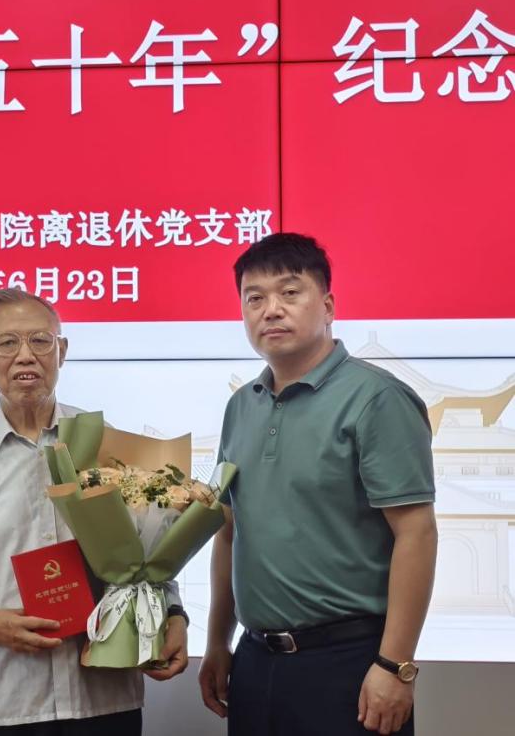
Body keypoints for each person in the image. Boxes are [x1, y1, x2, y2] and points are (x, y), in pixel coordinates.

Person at [0, 288, 189, 735]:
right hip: (4, 697)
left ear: (61, 351)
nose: (25, 355)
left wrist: (174, 612)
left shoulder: (105, 444)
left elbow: (150, 548)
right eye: (7, 343)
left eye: (40, 340)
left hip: (103, 690)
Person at [198, 233, 438, 736]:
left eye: (290, 292)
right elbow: (229, 531)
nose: (271, 310)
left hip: (350, 663)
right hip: (255, 660)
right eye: (254, 298)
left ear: (327, 306)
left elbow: (416, 532)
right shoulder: (241, 406)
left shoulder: (376, 399)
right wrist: (218, 641)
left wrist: (395, 664)